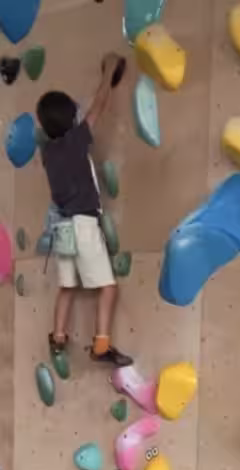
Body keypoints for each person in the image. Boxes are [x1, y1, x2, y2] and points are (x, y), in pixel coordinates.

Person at [36, 53, 132, 367]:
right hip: (82, 225)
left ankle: (58, 337)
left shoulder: (48, 153)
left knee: (67, 286)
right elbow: (98, 107)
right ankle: (101, 345)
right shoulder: (75, 141)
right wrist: (109, 71)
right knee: (108, 288)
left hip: (61, 227)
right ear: (70, 119)